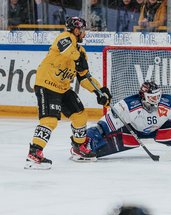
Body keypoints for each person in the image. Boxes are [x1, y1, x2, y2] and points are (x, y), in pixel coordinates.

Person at [25, 17, 112, 170]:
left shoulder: (81, 52)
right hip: (46, 85)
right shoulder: (65, 38)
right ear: (76, 30)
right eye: (82, 30)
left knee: (80, 115)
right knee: (50, 121)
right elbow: (66, 49)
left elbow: (84, 77)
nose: (84, 34)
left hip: (64, 88)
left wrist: (99, 91)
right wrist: (78, 58)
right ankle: (34, 154)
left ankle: (78, 149)